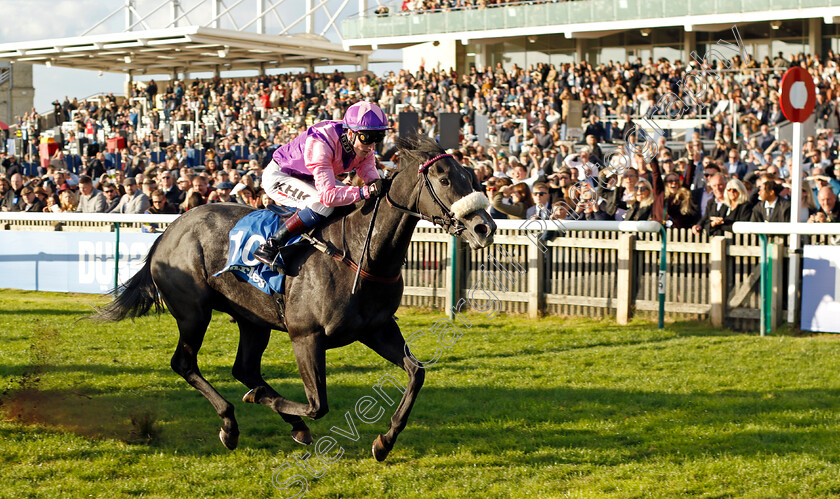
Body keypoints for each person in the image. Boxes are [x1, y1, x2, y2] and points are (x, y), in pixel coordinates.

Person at [253, 101, 390, 270]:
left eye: (378, 138)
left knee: (351, 202)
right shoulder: (322, 142)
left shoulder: (363, 146)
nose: (371, 146)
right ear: (350, 133)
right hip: (279, 175)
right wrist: (365, 192)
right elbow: (328, 196)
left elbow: (367, 170)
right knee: (322, 205)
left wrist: (378, 184)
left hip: (308, 177)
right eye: (367, 138)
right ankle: (271, 245)